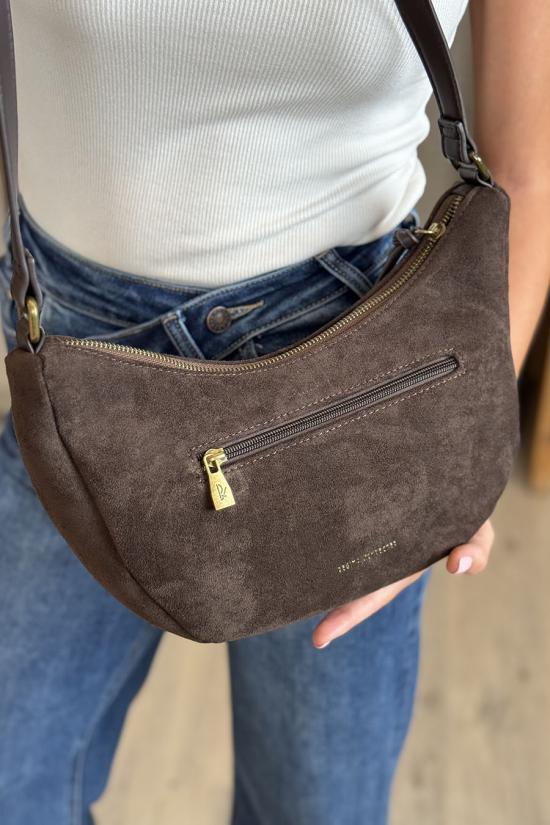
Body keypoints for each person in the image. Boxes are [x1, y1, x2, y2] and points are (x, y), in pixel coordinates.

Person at [0, 1, 548, 823]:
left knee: (316, 807)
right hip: (76, 363)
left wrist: (467, 445)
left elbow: (526, 168)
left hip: (363, 381)